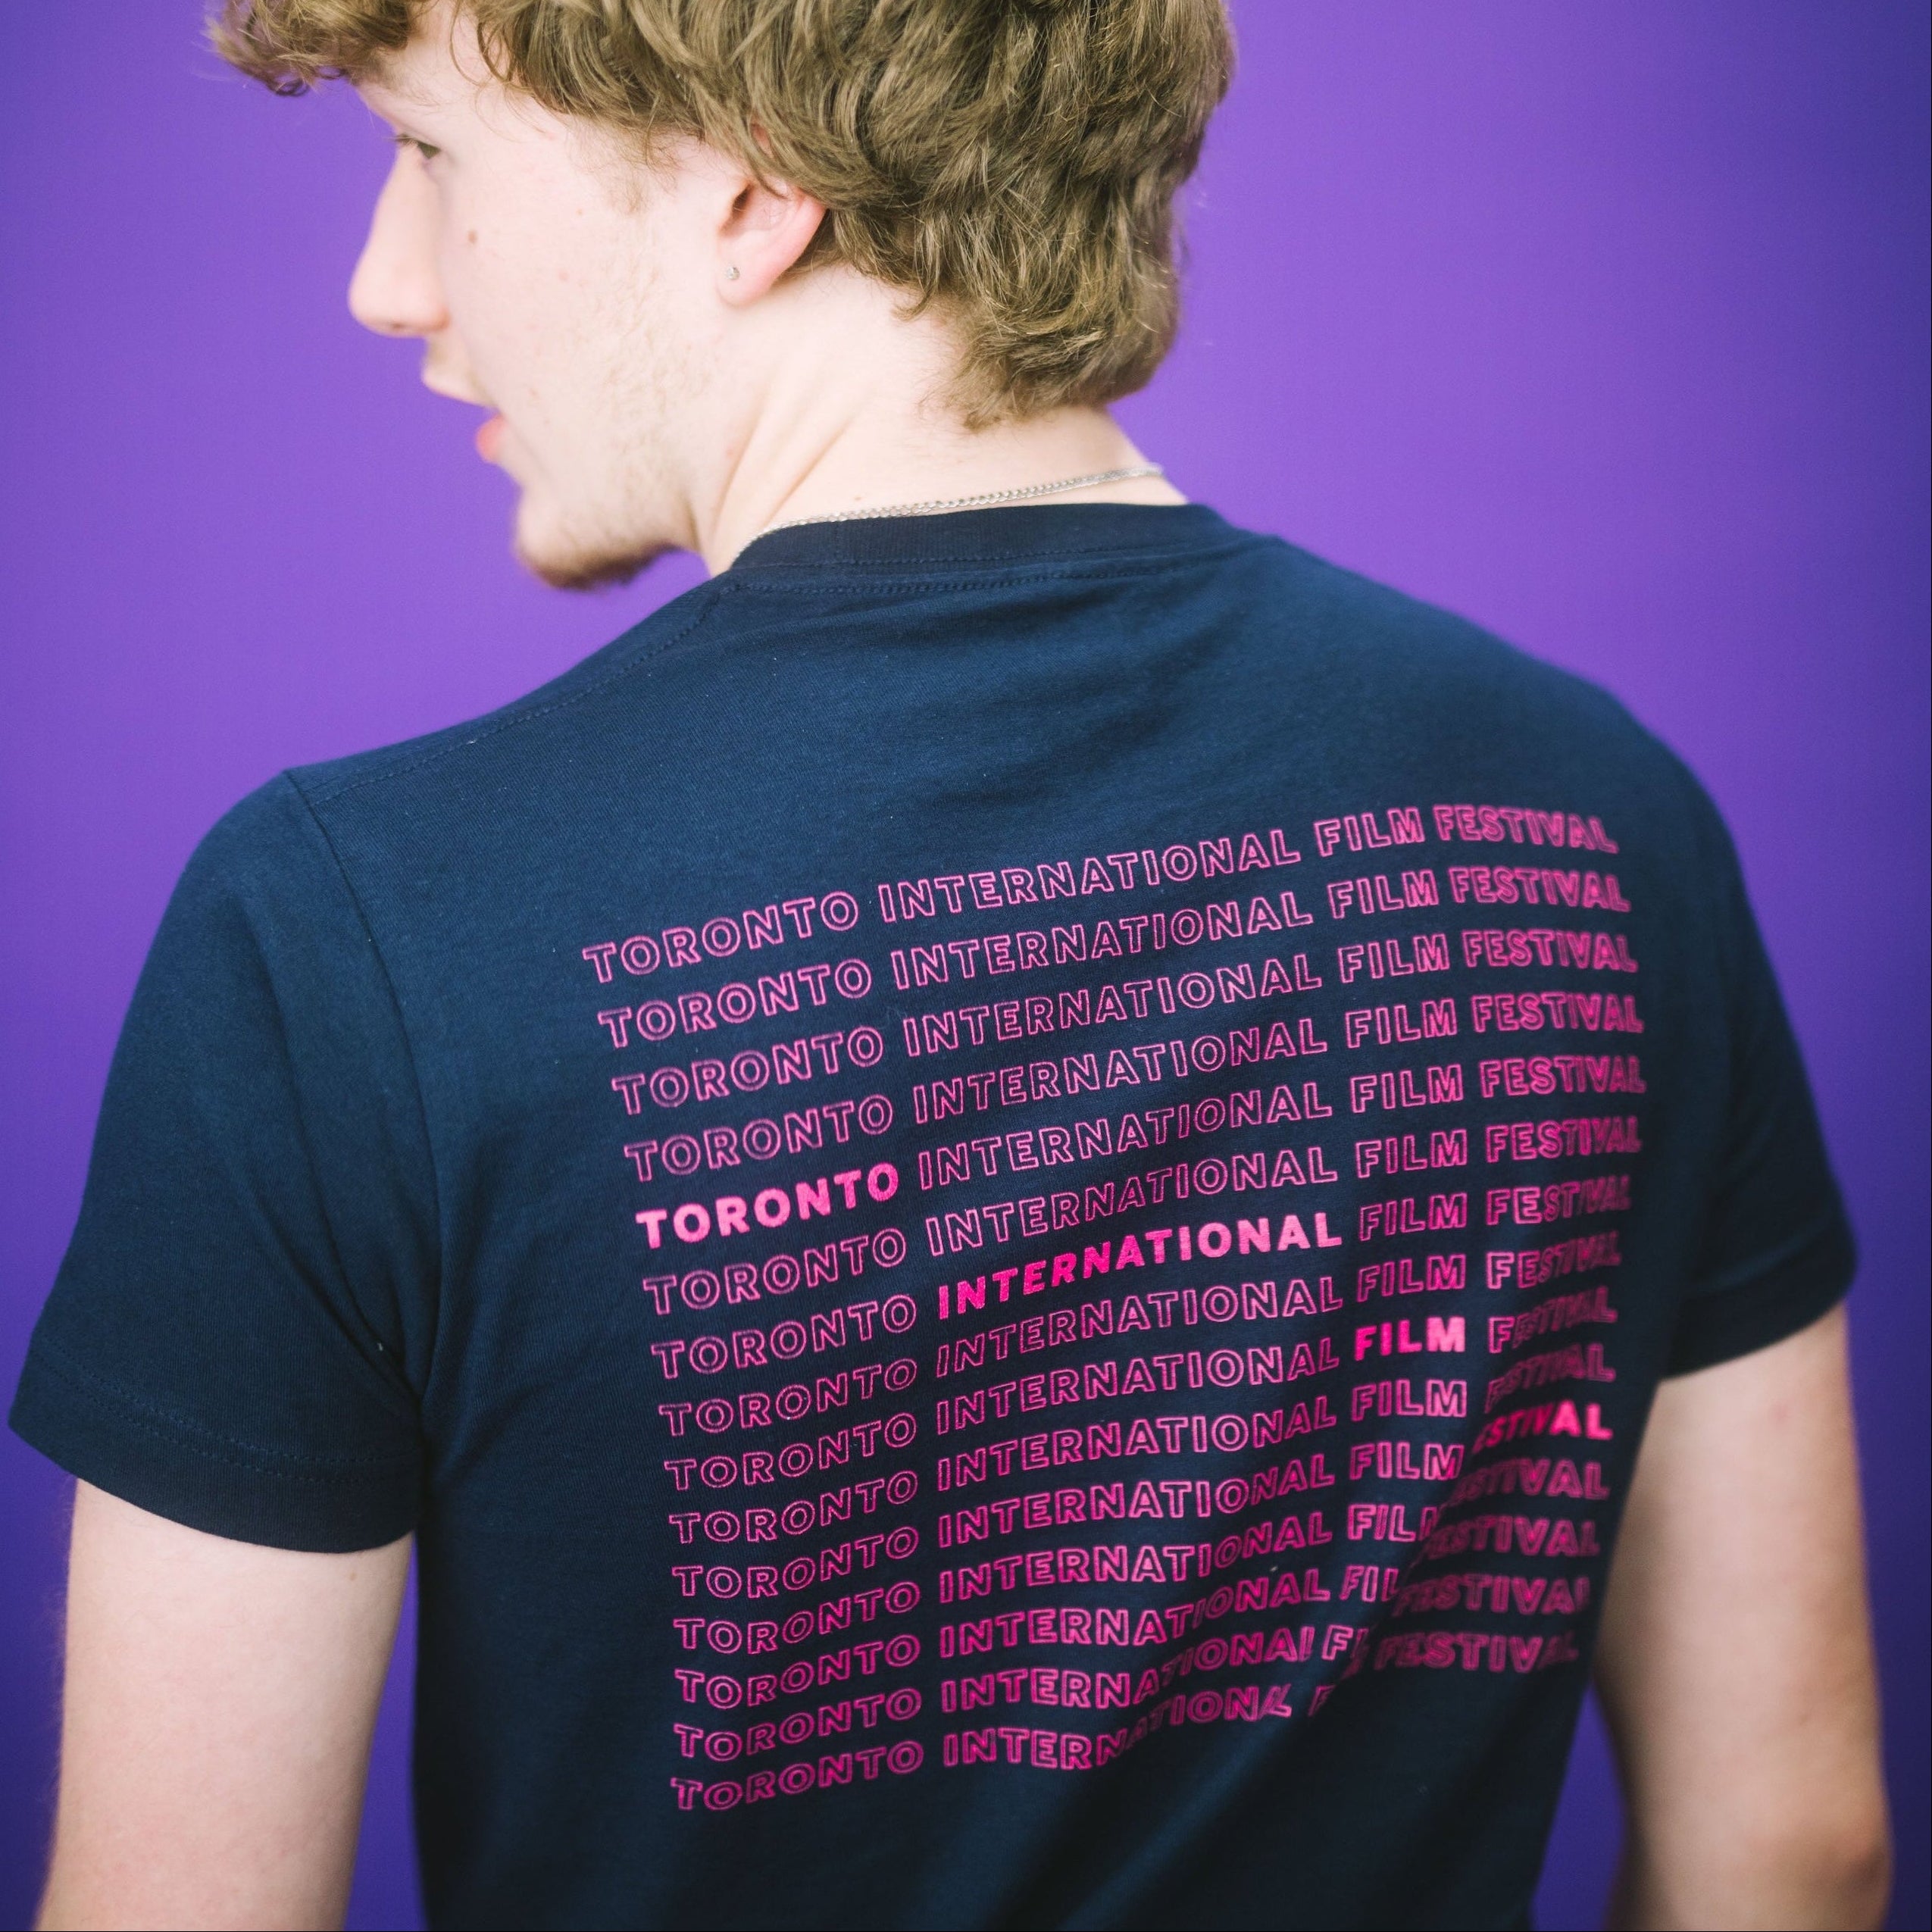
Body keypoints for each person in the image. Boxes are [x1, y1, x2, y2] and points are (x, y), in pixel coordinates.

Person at [11, 2, 1893, 1927]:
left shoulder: (343, 929)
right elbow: (1792, 1849)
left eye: (430, 153)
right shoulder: (1602, 828)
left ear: (751, 189)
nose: (385, 284)